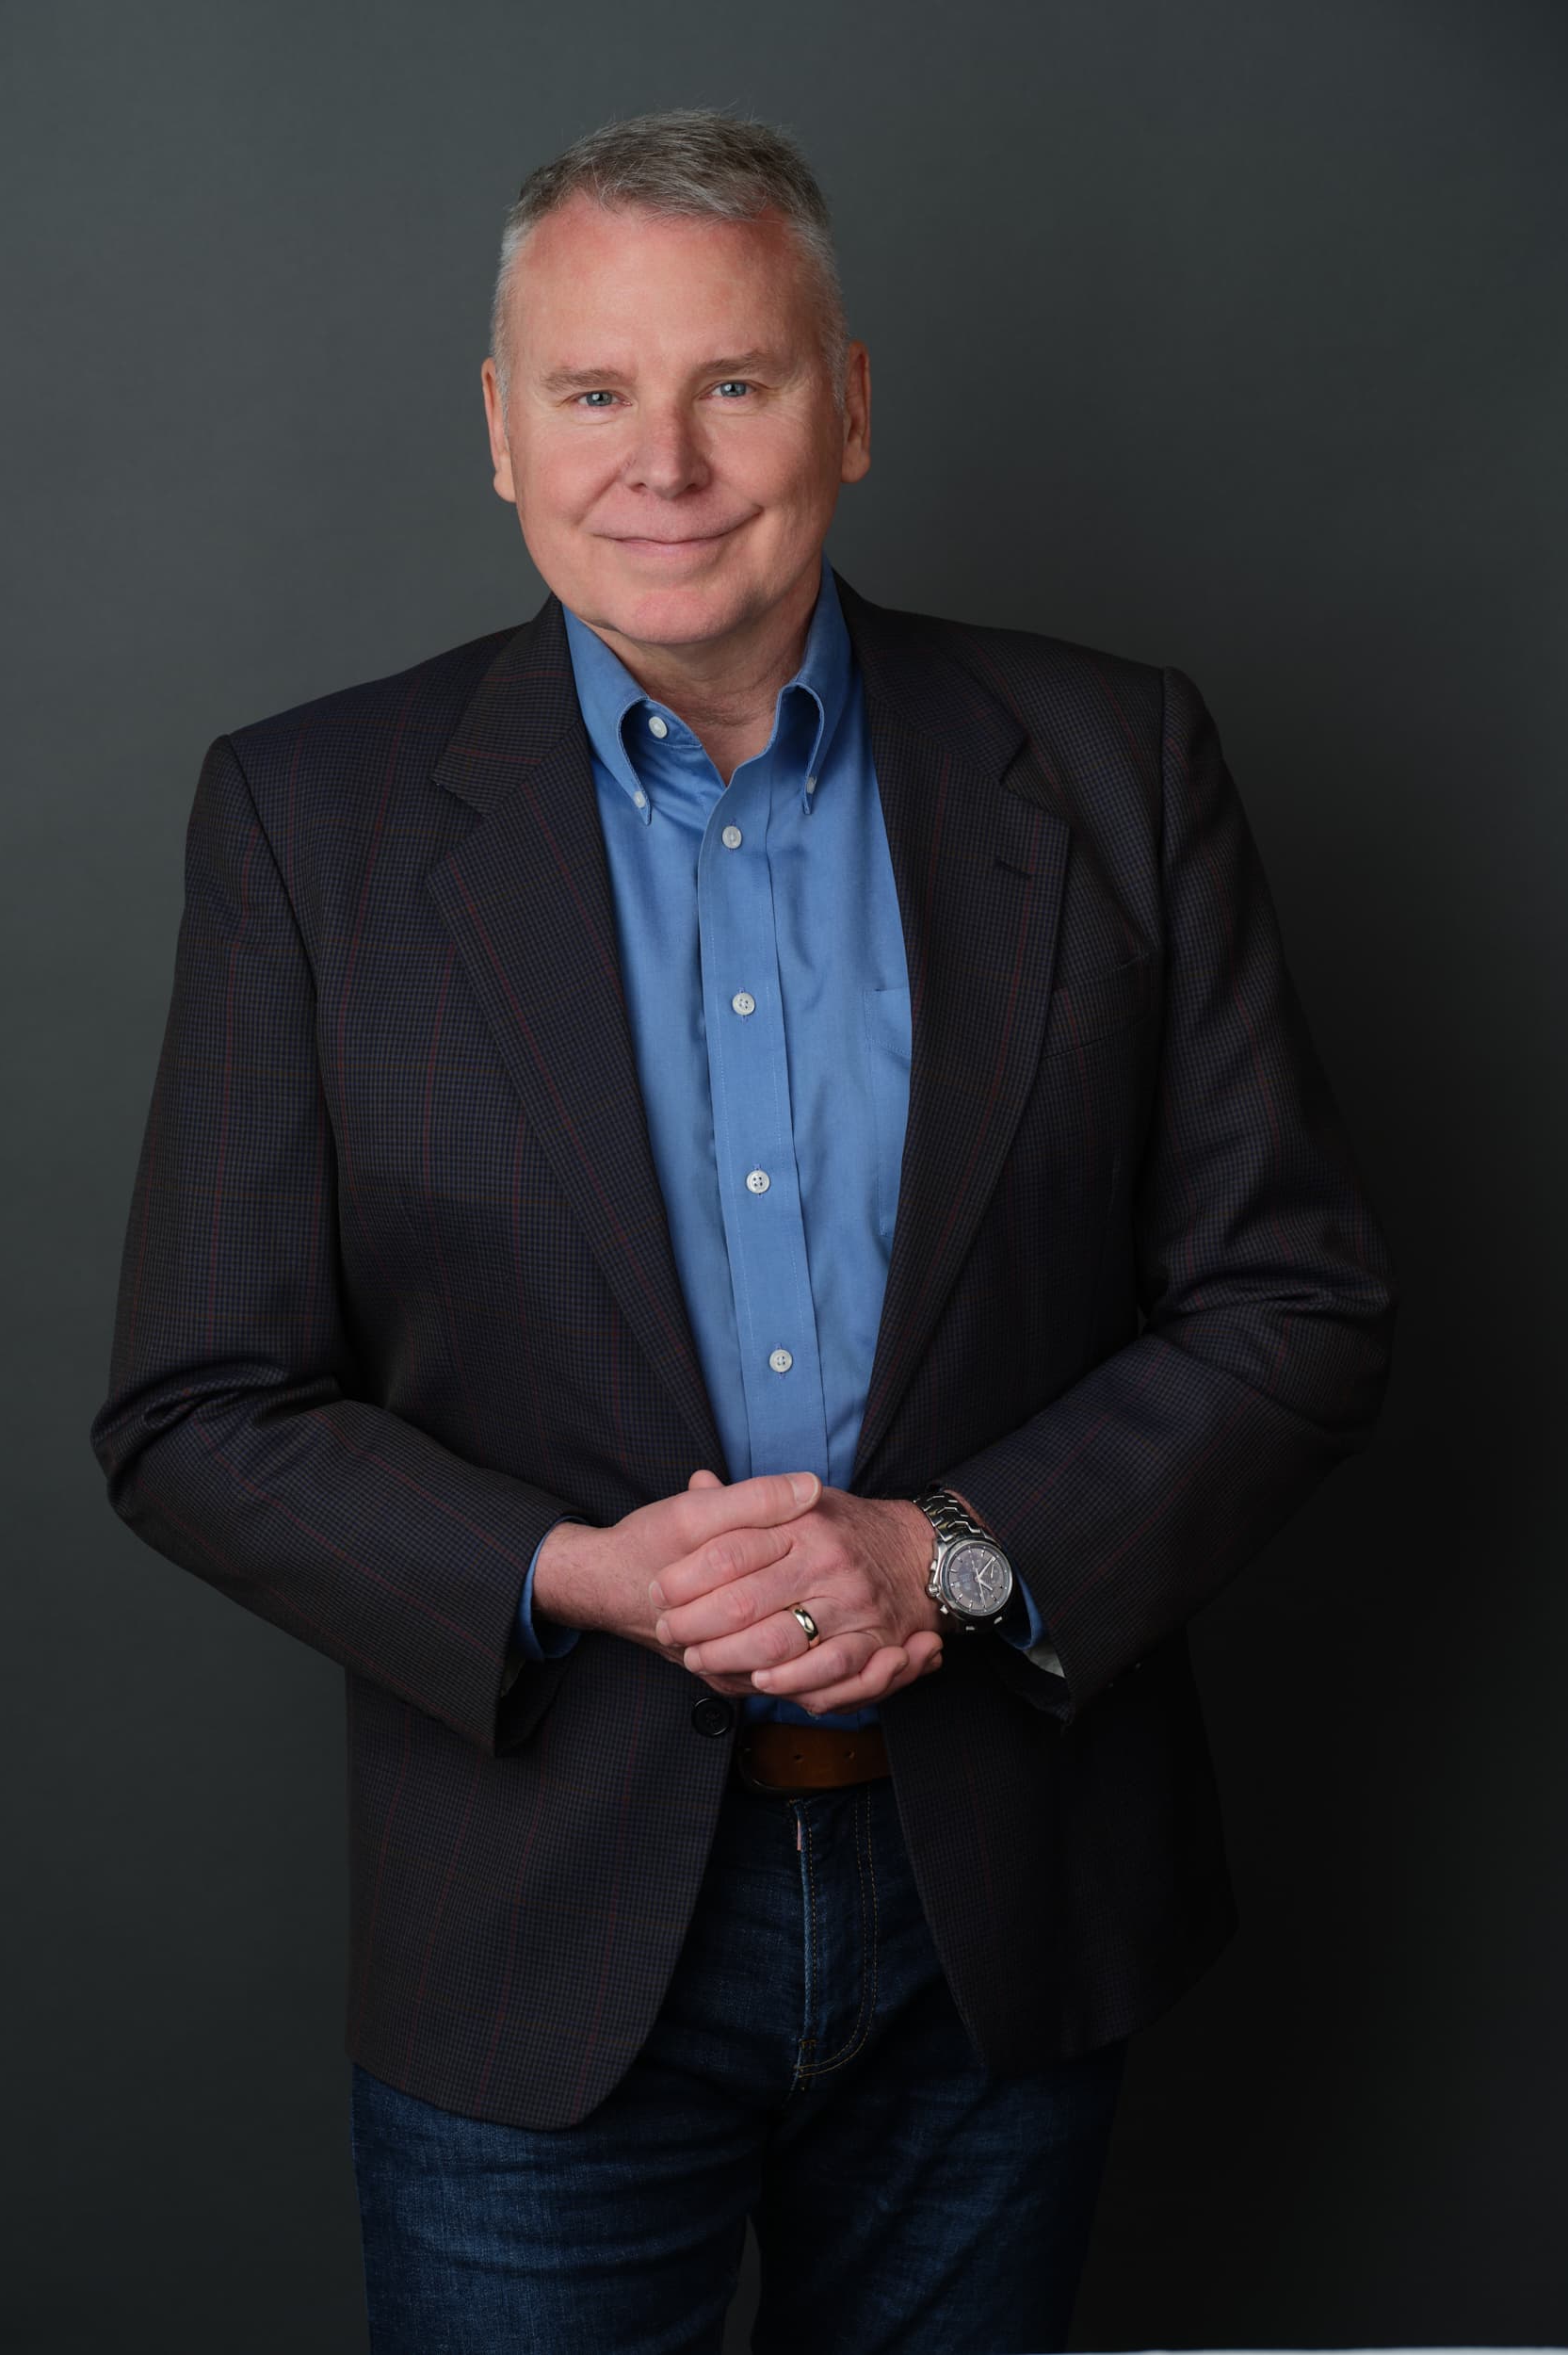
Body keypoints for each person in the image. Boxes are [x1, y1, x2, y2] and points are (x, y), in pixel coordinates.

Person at [90, 105, 1397, 2355]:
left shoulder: (1113, 763)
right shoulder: (304, 821)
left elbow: (1291, 1300)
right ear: (499, 434)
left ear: (850, 406)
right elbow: (195, 1407)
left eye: (734, 382)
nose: (659, 462)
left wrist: (951, 1553)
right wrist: (572, 1571)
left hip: (1001, 1904)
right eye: (591, 390)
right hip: (536, 1911)